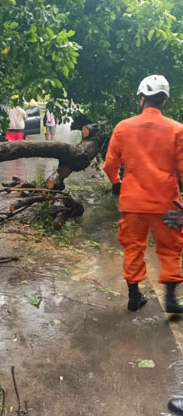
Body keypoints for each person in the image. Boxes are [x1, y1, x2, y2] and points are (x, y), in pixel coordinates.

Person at [105, 75, 183, 313]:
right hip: (166, 203)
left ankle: (134, 297)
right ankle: (171, 300)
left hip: (133, 203)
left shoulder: (123, 127)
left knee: (133, 247)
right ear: (164, 101)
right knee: (171, 248)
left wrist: (117, 182)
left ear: (142, 99)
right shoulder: (177, 130)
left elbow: (109, 165)